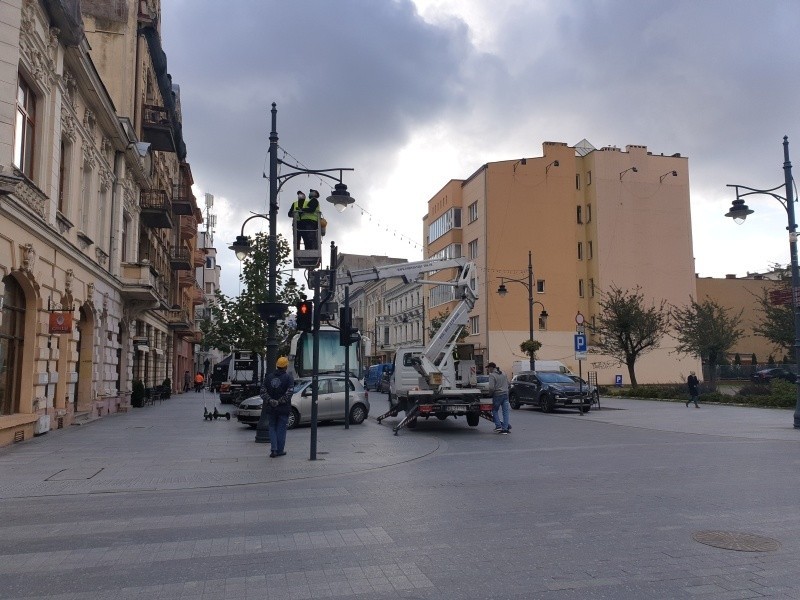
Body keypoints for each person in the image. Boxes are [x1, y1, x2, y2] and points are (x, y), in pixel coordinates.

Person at [261, 356, 295, 458]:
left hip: (271, 408)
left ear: (277, 365)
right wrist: (279, 402)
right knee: (281, 429)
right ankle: (280, 450)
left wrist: (271, 401)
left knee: (272, 427)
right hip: (283, 408)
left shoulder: (269, 377)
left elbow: (262, 392)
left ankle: (273, 450)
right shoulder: (289, 378)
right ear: (285, 367)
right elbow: (289, 393)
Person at [486, 362, 511, 434]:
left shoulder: (492, 375)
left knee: (494, 410)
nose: (488, 370)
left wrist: (490, 394)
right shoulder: (503, 373)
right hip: (505, 395)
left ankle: (498, 426)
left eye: (488, 368)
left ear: (491, 368)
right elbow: (508, 383)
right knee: (505, 412)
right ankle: (505, 429)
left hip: (497, 395)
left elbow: (491, 387)